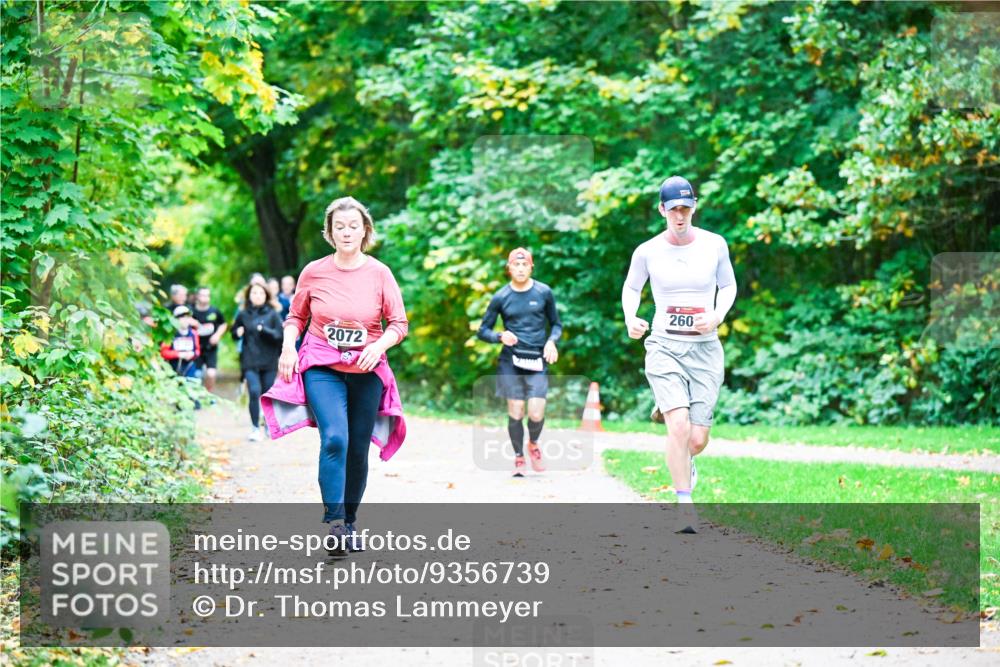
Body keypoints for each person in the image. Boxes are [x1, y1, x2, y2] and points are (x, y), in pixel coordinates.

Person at [275, 196, 408, 557]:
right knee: (335, 438)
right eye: (339, 227)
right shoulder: (313, 272)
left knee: (358, 448)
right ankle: (333, 523)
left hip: (367, 369)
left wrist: (378, 347)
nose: (346, 232)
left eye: (353, 226)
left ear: (365, 230)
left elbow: (398, 324)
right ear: (329, 233)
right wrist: (289, 346)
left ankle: (350, 522)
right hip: (322, 365)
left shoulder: (380, 273)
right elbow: (295, 318)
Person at [621, 175, 737, 533]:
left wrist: (717, 316)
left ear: (695, 207)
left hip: (704, 349)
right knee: (679, 426)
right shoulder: (647, 251)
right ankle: (684, 502)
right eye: (674, 210)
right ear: (662, 210)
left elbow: (728, 285)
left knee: (696, 439)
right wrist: (630, 317)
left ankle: (686, 459)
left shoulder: (714, 245)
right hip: (664, 346)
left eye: (686, 208)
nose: (680, 216)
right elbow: (631, 287)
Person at [477, 248, 562, 477]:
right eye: (517, 265)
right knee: (516, 409)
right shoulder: (501, 297)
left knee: (535, 411)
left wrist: (551, 342)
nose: (521, 269)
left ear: (531, 267)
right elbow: (482, 331)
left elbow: (556, 324)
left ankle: (533, 443)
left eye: (525, 265)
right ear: (510, 268)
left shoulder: (544, 292)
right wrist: (499, 336)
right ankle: (518, 457)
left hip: (537, 358)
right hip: (510, 361)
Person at [232, 282, 284, 441]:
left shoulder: (273, 314)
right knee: (254, 391)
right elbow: (234, 333)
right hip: (250, 360)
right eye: (254, 293)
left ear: (266, 296)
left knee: (267, 394)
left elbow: (279, 336)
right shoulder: (243, 314)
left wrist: (264, 330)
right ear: (249, 296)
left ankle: (268, 425)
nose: (257, 296)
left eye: (261, 293)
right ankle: (255, 428)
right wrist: (237, 332)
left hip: (269, 361)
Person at [191, 287, 227, 393]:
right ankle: (195, 395)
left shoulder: (214, 311)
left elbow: (223, 324)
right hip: (195, 349)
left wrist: (217, 335)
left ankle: (208, 394)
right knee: (197, 374)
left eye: (207, 295)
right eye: (202, 295)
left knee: (211, 374)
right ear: (197, 296)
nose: (205, 298)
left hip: (210, 348)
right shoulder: (191, 311)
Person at [160, 305, 201, 379]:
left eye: (187, 317)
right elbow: (164, 352)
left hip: (189, 367)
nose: (185, 320)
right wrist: (179, 354)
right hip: (172, 368)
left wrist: (192, 354)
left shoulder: (193, 333)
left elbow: (197, 351)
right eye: (182, 317)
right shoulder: (170, 334)